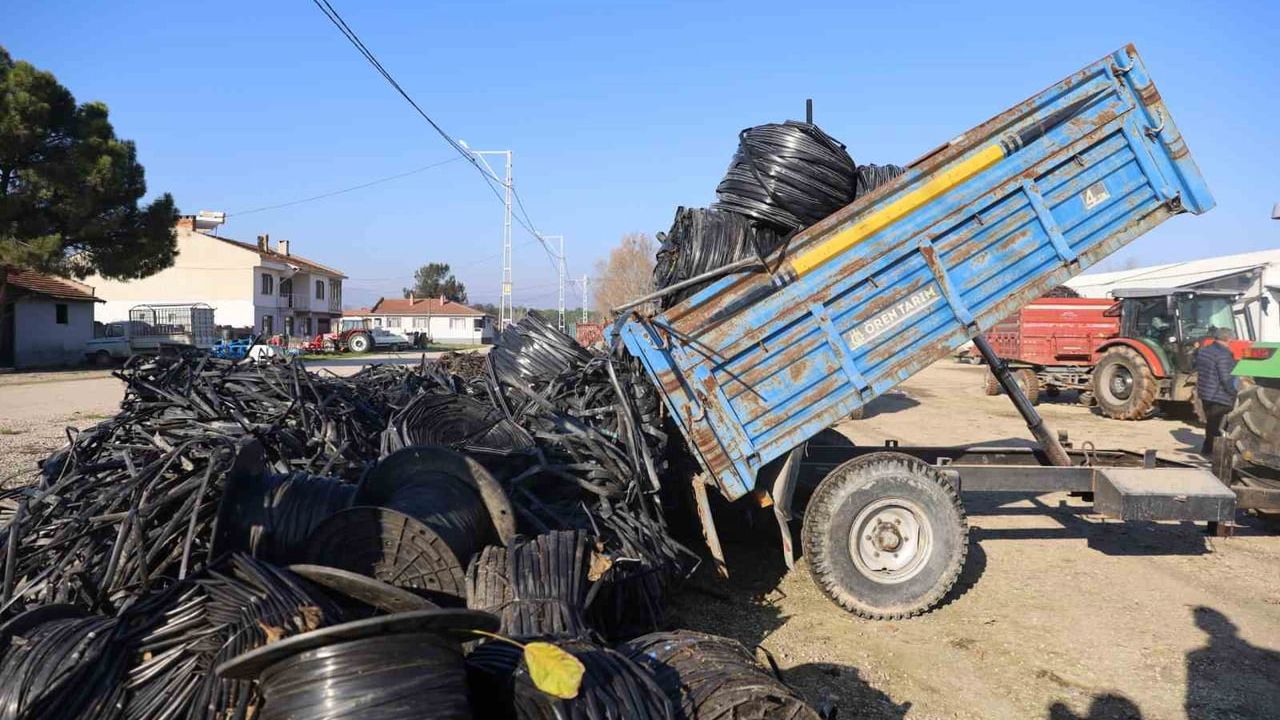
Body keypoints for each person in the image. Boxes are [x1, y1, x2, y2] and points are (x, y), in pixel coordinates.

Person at [1195, 327, 1238, 455]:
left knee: (1211, 423)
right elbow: (1226, 378)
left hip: (1205, 393)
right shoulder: (1224, 355)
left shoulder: (1203, 351)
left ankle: (1207, 449)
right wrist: (1234, 393)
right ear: (1228, 339)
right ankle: (1216, 452)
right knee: (1219, 426)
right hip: (1219, 395)